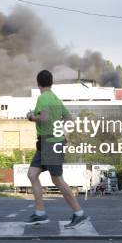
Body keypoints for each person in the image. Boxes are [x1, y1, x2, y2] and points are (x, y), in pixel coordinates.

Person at [25, 70, 88, 228]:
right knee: (32, 174)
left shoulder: (43, 97)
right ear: (51, 82)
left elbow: (44, 118)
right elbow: (69, 119)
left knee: (57, 179)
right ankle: (40, 214)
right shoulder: (56, 99)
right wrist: (60, 130)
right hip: (47, 143)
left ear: (38, 83)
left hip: (51, 143)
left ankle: (79, 213)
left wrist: (31, 117)